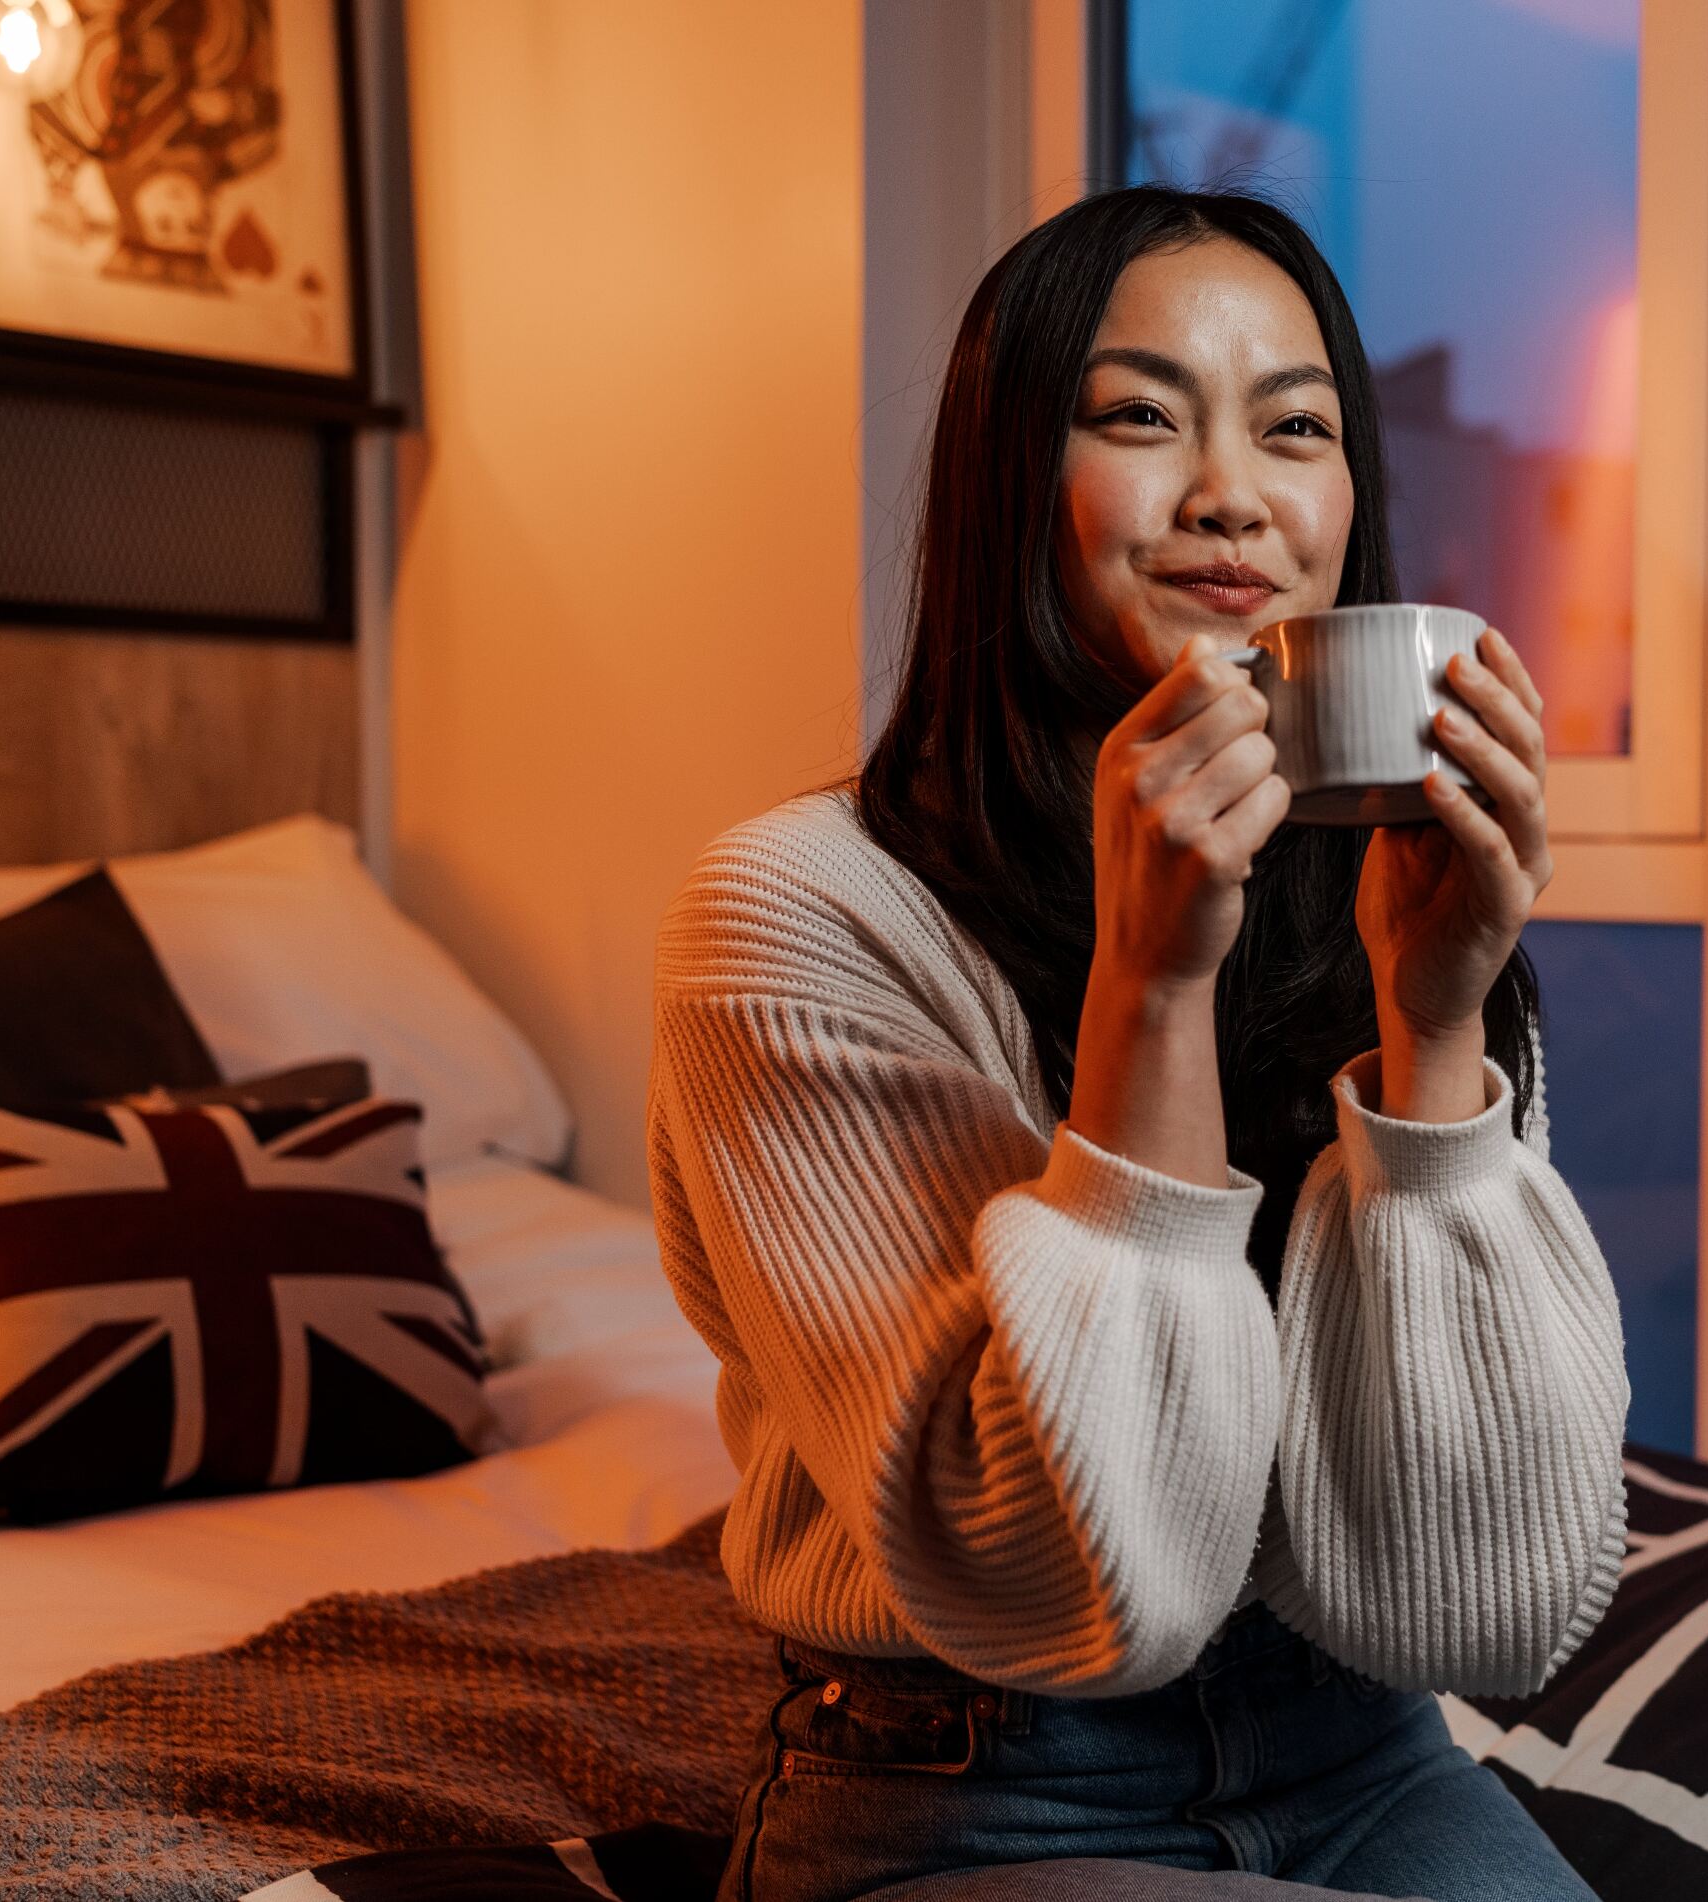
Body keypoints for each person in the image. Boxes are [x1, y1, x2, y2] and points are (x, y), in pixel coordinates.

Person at [648, 185, 1628, 1902]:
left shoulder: (1395, 900)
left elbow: (1474, 1602)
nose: (1231, 495)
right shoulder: (796, 914)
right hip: (974, 1782)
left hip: (1363, 1752)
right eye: (1138, 415)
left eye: (1297, 428)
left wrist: (1440, 1019)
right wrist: (1149, 992)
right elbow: (1080, 1593)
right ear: (1012, 478)